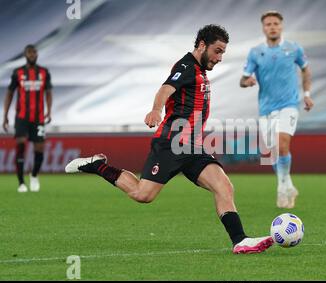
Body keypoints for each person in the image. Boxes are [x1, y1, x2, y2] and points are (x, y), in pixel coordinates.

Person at [65, 25, 273, 254]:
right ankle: (97, 165)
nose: (219, 58)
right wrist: (156, 110)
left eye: (223, 52)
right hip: (171, 144)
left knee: (224, 186)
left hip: (193, 146)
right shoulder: (186, 66)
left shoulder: (200, 71)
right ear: (202, 45)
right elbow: (165, 89)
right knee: (143, 195)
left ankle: (240, 240)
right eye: (217, 51)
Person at [240, 11, 314, 209]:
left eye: (275, 23)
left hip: (289, 105)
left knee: (282, 145)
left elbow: (306, 69)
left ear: (281, 26)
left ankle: (281, 188)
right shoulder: (255, 52)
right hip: (266, 109)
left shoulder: (293, 48)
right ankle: (288, 184)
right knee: (273, 153)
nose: (272, 26)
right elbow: (243, 79)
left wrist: (306, 93)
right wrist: (248, 81)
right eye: (268, 24)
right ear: (263, 28)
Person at [2, 44, 53, 193]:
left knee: (39, 149)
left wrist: (49, 111)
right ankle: (21, 183)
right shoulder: (17, 73)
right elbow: (10, 94)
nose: (32, 55)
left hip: (38, 118)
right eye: (29, 53)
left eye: (34, 52)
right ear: (25, 55)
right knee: (21, 144)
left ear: (37, 54)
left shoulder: (44, 72)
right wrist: (5, 116)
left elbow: (48, 93)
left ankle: (34, 175)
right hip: (21, 117)